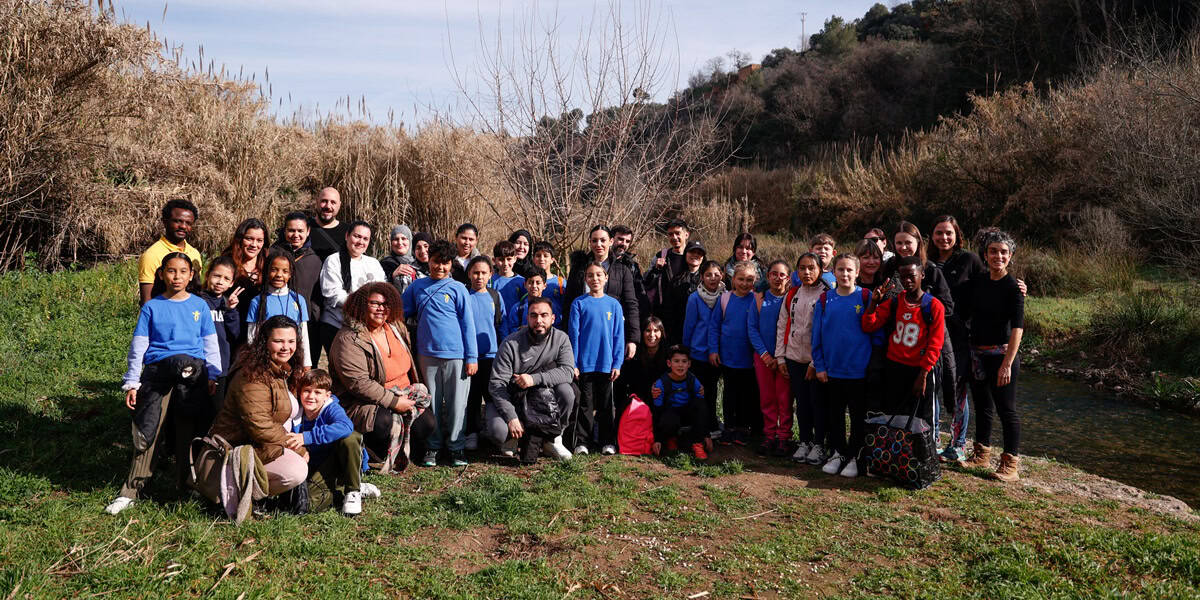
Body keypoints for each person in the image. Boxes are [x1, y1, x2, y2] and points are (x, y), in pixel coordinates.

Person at [106, 253, 223, 515]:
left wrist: (213, 375)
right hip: (158, 374)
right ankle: (131, 490)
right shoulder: (152, 307)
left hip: (192, 374)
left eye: (183, 271)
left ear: (192, 275)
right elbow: (139, 345)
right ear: (161, 274)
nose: (177, 277)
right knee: (148, 431)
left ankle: (188, 486)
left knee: (188, 431)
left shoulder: (199, 306)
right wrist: (132, 382)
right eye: (171, 271)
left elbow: (210, 343)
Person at [328, 283, 432, 472]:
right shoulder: (348, 338)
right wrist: (394, 402)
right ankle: (373, 450)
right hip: (363, 401)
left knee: (428, 424)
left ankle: (399, 447)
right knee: (383, 422)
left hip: (404, 393)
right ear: (361, 305)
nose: (381, 309)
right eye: (374, 303)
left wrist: (407, 397)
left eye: (386, 304)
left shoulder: (395, 328)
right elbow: (359, 384)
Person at [208, 315, 308, 498]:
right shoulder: (251, 376)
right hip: (240, 447)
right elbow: (259, 426)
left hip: (269, 443)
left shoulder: (285, 369)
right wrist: (297, 446)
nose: (286, 347)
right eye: (278, 341)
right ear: (265, 342)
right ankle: (237, 494)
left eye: (291, 341)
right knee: (296, 471)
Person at [861, 256, 946, 466]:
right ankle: (897, 460)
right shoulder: (895, 302)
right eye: (903, 276)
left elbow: (936, 344)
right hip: (895, 368)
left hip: (919, 370)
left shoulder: (933, 306)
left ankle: (925, 462)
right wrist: (873, 302)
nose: (907, 280)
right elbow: (868, 325)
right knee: (895, 416)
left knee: (922, 419)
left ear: (922, 276)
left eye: (912, 276)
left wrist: (924, 374)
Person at [401, 240, 478, 467]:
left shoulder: (458, 289)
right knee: (431, 404)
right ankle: (432, 447)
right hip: (427, 355)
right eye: (436, 262)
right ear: (429, 260)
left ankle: (456, 447)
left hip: (457, 356)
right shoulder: (417, 287)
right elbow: (402, 312)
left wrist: (471, 357)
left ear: (451, 265)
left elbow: (468, 325)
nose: (440, 268)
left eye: (445, 263)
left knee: (457, 404)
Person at [882, 221, 957, 455]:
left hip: (925, 346)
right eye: (899, 243)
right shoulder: (888, 268)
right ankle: (901, 451)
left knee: (927, 403)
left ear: (918, 244)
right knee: (898, 404)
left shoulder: (931, 270)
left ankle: (927, 452)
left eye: (908, 242)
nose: (904, 247)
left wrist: (921, 303)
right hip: (897, 346)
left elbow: (948, 307)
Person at [959, 229, 1025, 482]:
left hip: (1002, 356)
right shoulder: (978, 282)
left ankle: (1010, 465)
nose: (999, 256)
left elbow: (1018, 328)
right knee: (983, 406)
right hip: (978, 354)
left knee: (1006, 409)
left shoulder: (1014, 287)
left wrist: (1007, 363)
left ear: (1010, 257)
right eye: (993, 251)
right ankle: (981, 454)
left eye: (1004, 252)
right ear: (985, 255)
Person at [486, 296, 575, 463]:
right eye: (533, 315)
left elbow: (568, 371)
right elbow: (497, 385)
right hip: (515, 398)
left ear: (553, 318)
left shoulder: (561, 338)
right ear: (527, 318)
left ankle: (552, 438)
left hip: (543, 397)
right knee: (498, 431)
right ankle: (515, 436)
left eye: (544, 315)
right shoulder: (510, 343)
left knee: (567, 392)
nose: (539, 320)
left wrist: (533, 379)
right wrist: (511, 417)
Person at [930, 215, 986, 461]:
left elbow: (990, 284)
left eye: (948, 233)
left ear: (957, 235)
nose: (944, 237)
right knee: (930, 389)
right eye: (939, 233)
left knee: (957, 389)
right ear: (931, 236)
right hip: (929, 334)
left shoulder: (969, 260)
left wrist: (1017, 288)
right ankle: (930, 440)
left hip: (959, 336)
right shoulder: (926, 262)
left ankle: (958, 444)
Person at [811, 255, 872, 478]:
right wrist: (819, 365)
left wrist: (871, 367)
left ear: (857, 273)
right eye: (840, 270)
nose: (845, 274)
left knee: (857, 417)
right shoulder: (825, 300)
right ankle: (837, 452)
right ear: (833, 272)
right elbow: (816, 336)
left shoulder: (866, 296)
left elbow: (875, 334)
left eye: (849, 270)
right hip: (832, 371)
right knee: (834, 415)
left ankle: (855, 456)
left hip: (858, 372)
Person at [288, 369, 381, 516]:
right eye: (307, 391)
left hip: (339, 461)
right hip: (315, 466)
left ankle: (353, 490)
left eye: (318, 392)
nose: (311, 396)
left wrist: (306, 438)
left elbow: (345, 426)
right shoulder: (295, 413)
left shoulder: (331, 408)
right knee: (307, 503)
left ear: (327, 395)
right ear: (300, 393)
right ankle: (344, 489)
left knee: (350, 436)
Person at [775, 252, 830, 465]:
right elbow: (782, 325)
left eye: (811, 268)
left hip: (815, 362)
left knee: (818, 403)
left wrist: (816, 363)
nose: (806, 272)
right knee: (802, 403)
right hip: (793, 358)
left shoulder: (827, 295)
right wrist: (781, 357)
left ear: (820, 270)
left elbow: (827, 332)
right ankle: (804, 441)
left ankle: (819, 444)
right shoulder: (793, 294)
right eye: (802, 268)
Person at [568, 262, 626, 455]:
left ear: (606, 278)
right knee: (585, 405)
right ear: (586, 279)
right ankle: (582, 442)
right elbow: (573, 335)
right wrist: (574, 363)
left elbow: (618, 337)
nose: (595, 279)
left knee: (606, 406)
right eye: (591, 276)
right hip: (584, 364)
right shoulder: (579, 303)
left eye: (599, 275)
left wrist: (617, 363)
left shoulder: (614, 305)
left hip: (606, 365)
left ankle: (607, 441)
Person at [564, 225, 640, 360]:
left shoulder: (622, 270)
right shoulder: (578, 268)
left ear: (611, 241)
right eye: (594, 240)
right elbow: (568, 302)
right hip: (582, 334)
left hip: (611, 335)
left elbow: (631, 305)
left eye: (603, 240)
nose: (598, 244)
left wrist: (632, 339)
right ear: (590, 242)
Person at [708, 261, 760, 446]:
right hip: (728, 358)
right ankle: (729, 428)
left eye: (749, 280)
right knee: (729, 395)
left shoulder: (756, 299)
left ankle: (743, 429)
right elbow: (714, 326)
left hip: (750, 359)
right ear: (733, 279)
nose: (745, 283)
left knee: (746, 396)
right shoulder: (725, 299)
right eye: (741, 279)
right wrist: (713, 350)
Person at [318, 221, 386, 357]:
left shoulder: (373, 263)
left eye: (365, 239)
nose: (361, 241)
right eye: (357, 236)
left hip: (367, 327)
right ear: (347, 236)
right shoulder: (333, 261)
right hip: (338, 326)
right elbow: (334, 294)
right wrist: (366, 306)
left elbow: (383, 292)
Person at [750, 260, 792, 456]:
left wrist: (780, 357)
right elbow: (752, 328)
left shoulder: (792, 299)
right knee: (767, 398)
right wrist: (765, 355)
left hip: (786, 358)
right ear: (768, 277)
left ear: (788, 277)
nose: (777, 278)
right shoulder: (759, 298)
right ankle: (769, 436)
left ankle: (784, 438)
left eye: (782, 274)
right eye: (773, 274)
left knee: (784, 399)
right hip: (763, 358)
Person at [246, 251, 314, 368]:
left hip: (293, 360)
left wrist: (306, 363)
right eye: (274, 270)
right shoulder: (258, 301)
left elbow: (303, 334)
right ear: (267, 272)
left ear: (290, 274)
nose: (279, 275)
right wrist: (255, 362)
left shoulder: (298, 300)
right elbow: (252, 336)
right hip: (266, 362)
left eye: (285, 271)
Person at [465, 255, 505, 451]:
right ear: (469, 274)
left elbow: (501, 325)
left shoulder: (495, 296)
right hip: (469, 357)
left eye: (483, 273)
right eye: (475, 272)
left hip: (491, 356)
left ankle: (494, 429)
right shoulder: (464, 295)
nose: (479, 277)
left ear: (490, 274)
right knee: (471, 396)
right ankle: (471, 431)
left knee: (491, 395)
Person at [274, 212, 324, 364]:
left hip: (305, 324)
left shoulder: (315, 260)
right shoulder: (273, 254)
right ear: (285, 231)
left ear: (308, 231)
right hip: (275, 322)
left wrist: (314, 315)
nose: (296, 235)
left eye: (300, 231)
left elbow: (317, 295)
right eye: (291, 230)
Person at [683, 260, 725, 438]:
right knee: (698, 390)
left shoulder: (726, 297)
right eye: (708, 275)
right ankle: (697, 425)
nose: (712, 278)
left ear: (721, 276)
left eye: (716, 274)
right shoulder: (694, 298)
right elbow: (689, 326)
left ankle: (712, 423)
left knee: (713, 390)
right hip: (698, 352)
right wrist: (686, 352)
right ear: (701, 277)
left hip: (717, 353)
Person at [649, 345, 713, 460]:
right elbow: (657, 412)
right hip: (671, 414)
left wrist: (706, 435)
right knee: (668, 419)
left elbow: (702, 410)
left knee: (701, 404)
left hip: (687, 414)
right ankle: (670, 438)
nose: (680, 365)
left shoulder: (692, 380)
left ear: (689, 364)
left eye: (684, 361)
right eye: (676, 361)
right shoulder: (661, 384)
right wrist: (657, 439)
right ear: (669, 363)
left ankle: (697, 443)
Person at [137, 199, 202, 305]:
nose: (183, 226)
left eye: (188, 223)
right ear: (165, 221)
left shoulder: (194, 254)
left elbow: (196, 291)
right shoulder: (152, 255)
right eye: (177, 221)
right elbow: (147, 302)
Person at [196, 256, 242, 408]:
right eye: (216, 276)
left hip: (221, 367)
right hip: (198, 364)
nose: (220, 281)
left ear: (231, 283)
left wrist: (230, 310)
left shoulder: (228, 303)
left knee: (217, 409)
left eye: (226, 278)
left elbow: (235, 334)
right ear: (207, 275)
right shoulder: (197, 301)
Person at [221, 218, 269, 345]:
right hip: (231, 332)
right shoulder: (226, 264)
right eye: (249, 239)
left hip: (261, 334)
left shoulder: (269, 266)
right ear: (240, 239)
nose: (254, 245)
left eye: (259, 240)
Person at [656, 240, 706, 347]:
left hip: (702, 334)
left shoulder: (708, 280)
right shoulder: (676, 280)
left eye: (699, 253)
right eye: (692, 252)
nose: (695, 255)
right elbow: (668, 309)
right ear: (686, 254)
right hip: (679, 333)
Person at [616, 316, 669, 410]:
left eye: (656, 330)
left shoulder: (668, 355)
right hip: (638, 401)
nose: (652, 335)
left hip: (662, 399)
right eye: (648, 330)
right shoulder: (634, 356)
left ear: (662, 333)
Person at [643, 219, 690, 315]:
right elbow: (646, 282)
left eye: (677, 233)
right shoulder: (661, 256)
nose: (674, 237)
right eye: (670, 234)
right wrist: (656, 269)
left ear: (686, 235)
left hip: (688, 311)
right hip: (664, 313)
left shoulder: (696, 256)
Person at [501, 267, 560, 338]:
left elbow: (556, 330)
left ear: (544, 285)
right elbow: (512, 331)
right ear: (525, 284)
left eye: (538, 283)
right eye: (531, 282)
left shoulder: (551, 308)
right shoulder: (518, 308)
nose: (534, 286)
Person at [611, 224, 651, 319]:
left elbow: (640, 293)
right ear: (611, 239)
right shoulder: (598, 263)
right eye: (620, 239)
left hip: (624, 316)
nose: (624, 244)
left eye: (627, 241)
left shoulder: (632, 266)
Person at [307, 187, 350, 260]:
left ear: (339, 205)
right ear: (317, 202)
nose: (328, 206)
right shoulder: (302, 228)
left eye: (333, 202)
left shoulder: (349, 232)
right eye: (324, 201)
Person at [380, 224, 420, 297]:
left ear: (410, 241)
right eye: (396, 239)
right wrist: (392, 275)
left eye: (404, 238)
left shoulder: (418, 263)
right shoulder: (384, 264)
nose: (400, 242)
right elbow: (379, 288)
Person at [489, 240, 526, 312]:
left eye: (509, 259)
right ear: (494, 260)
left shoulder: (522, 282)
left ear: (515, 259)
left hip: (517, 322)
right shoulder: (490, 281)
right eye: (501, 259)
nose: (505, 263)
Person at [530, 241, 565, 314]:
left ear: (552, 260)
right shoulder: (529, 282)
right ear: (533, 259)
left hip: (556, 324)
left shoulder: (560, 282)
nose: (542, 259)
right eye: (538, 255)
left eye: (545, 256)